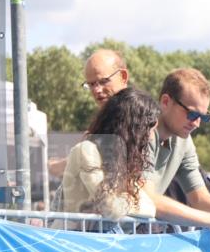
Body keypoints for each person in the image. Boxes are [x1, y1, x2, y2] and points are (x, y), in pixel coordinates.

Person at [140, 68, 210, 246]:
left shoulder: (184, 141)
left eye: (203, 117)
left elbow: (199, 197)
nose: (197, 123)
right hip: (102, 236)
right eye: (192, 114)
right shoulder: (142, 131)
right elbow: (149, 199)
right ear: (165, 102)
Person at [60, 88, 157, 222]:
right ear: (132, 128)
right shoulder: (86, 151)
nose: (151, 137)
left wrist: (123, 199)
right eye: (149, 129)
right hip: (71, 240)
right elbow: (111, 209)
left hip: (90, 239)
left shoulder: (120, 161)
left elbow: (151, 208)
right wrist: (130, 198)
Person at [51, 49, 132, 179]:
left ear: (123, 76)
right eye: (91, 84)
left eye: (103, 81)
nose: (97, 90)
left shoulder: (131, 115)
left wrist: (52, 167)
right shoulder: (109, 116)